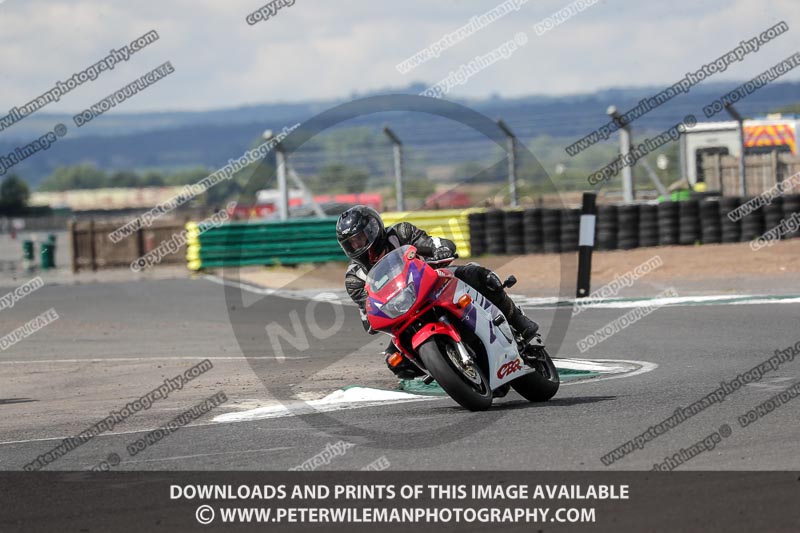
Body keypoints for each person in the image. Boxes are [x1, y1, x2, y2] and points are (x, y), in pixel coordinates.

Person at [336, 205, 539, 380]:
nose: (357, 246)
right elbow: (368, 310)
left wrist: (440, 249)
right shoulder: (354, 278)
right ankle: (448, 371)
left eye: (360, 239)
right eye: (351, 243)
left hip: (434, 284)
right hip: (403, 313)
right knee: (395, 362)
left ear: (373, 230)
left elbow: (431, 243)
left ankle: (519, 322)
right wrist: (371, 319)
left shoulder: (401, 233)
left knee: (479, 275)